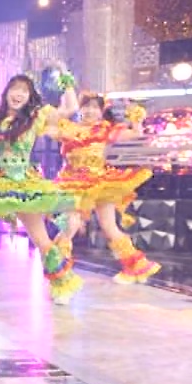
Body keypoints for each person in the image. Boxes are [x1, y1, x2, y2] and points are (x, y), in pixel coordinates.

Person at [0, 60, 83, 305]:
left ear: (29, 97)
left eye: (24, 90)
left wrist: (65, 74)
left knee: (41, 240)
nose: (18, 94)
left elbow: (71, 107)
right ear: (7, 92)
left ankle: (62, 285)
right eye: (14, 89)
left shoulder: (36, 117)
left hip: (23, 186)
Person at [54, 93, 161, 284]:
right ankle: (59, 270)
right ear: (80, 108)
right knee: (70, 225)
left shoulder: (105, 130)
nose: (90, 111)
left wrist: (135, 115)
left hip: (100, 183)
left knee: (109, 227)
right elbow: (47, 128)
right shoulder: (68, 129)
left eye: (95, 107)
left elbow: (136, 134)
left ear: (101, 111)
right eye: (86, 106)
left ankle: (135, 267)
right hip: (72, 184)